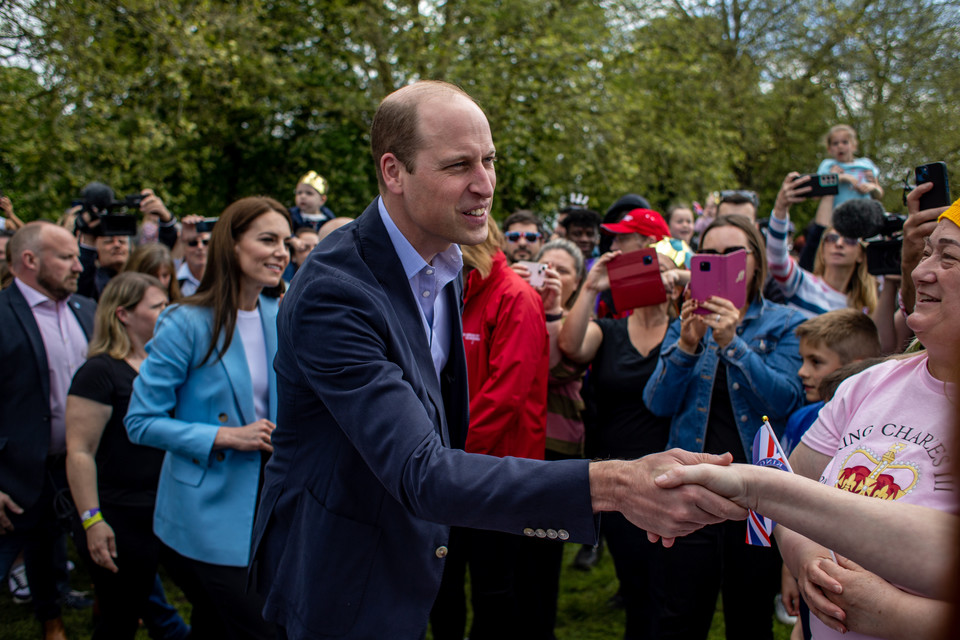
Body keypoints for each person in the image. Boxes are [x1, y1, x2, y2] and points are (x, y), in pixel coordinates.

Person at [250, 80, 744, 640]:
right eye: (459, 165)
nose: (484, 184)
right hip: (339, 578)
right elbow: (422, 468)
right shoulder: (334, 292)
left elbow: (442, 433)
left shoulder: (446, 264)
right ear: (393, 172)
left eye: (489, 160)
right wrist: (615, 486)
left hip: (412, 555)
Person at [774, 197, 960, 639]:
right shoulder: (870, 382)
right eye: (927, 251)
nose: (919, 271)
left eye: (948, 257)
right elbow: (786, 490)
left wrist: (896, 614)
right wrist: (805, 559)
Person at [125, 197, 292, 640]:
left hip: (271, 503)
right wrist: (225, 436)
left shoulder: (281, 315)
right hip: (207, 512)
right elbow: (140, 421)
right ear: (231, 246)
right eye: (268, 239)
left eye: (286, 242)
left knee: (216, 627)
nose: (282, 251)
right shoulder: (184, 322)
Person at [643, 214, 807, 639]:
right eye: (709, 254)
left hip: (758, 491)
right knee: (680, 613)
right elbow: (657, 403)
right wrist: (686, 344)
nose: (720, 262)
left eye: (733, 253)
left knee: (750, 616)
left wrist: (732, 343)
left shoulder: (784, 322)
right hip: (692, 487)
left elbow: (786, 399)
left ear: (755, 260)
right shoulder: (685, 320)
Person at [431, 216, 550, 640]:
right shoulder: (454, 291)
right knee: (442, 577)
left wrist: (447, 454)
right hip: (454, 464)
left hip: (497, 469)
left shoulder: (515, 297)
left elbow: (506, 396)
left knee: (493, 586)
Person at [558, 249, 683, 639]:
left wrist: (681, 278)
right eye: (646, 270)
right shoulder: (610, 331)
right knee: (634, 582)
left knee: (670, 586)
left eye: (663, 271)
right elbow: (570, 345)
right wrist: (592, 285)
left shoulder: (687, 333)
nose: (654, 278)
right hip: (617, 477)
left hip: (673, 473)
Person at [65, 272, 190, 640]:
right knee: (119, 619)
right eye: (157, 306)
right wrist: (92, 520)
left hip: (168, 505)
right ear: (123, 314)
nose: (168, 313)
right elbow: (80, 452)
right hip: (121, 514)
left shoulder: (165, 366)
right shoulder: (99, 372)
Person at [0, 222, 94, 640]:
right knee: (29, 551)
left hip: (83, 466)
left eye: (77, 256)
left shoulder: (88, 311)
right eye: (66, 257)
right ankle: (49, 622)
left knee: (91, 551)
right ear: (29, 260)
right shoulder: (2, 316)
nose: (79, 265)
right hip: (16, 472)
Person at [767, 172, 878, 316]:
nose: (839, 243)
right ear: (822, 249)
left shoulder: (865, 310)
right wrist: (781, 207)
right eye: (831, 238)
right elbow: (776, 261)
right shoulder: (801, 284)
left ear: (861, 255)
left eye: (849, 240)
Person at [781, 309, 882, 454]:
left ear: (855, 367)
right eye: (802, 359)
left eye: (815, 361)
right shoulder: (800, 419)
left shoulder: (874, 429)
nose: (801, 372)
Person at [817, 124, 883, 210]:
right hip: (838, 215)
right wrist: (840, 178)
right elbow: (817, 194)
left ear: (854, 146)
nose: (840, 146)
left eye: (845, 142)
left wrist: (872, 188)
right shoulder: (828, 166)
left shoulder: (866, 164)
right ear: (829, 149)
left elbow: (879, 194)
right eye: (835, 143)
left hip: (866, 214)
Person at [175, 216, 211, 296]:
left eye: (205, 242)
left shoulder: (223, 275)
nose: (200, 247)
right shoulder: (175, 278)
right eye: (192, 243)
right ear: (183, 247)